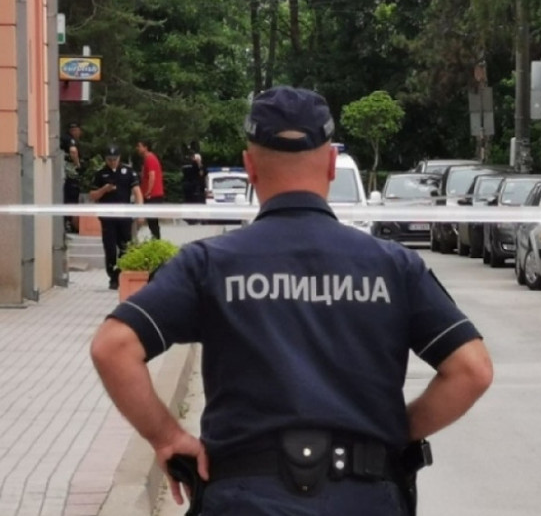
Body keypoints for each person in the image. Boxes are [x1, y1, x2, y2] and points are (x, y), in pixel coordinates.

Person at [89, 86, 493, 516]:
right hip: (364, 496)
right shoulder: (394, 266)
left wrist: (166, 437)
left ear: (249, 167)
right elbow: (472, 370)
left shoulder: (209, 264)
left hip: (244, 499)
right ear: (331, 164)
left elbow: (113, 347)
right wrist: (394, 432)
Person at [88, 146, 144, 290]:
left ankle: (120, 273)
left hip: (124, 216)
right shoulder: (100, 174)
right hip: (107, 217)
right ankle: (112, 276)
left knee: (126, 247)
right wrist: (104, 189)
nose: (112, 162)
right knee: (110, 248)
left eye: (115, 159)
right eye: (109, 160)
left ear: (119, 158)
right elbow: (92, 196)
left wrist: (140, 212)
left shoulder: (128, 172)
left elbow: (137, 192)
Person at [137, 139, 165, 239]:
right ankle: (155, 239)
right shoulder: (147, 159)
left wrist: (148, 192)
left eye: (139, 146)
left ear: (145, 147)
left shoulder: (150, 158)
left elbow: (152, 176)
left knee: (152, 220)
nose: (137, 148)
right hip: (152, 194)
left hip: (153, 195)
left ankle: (156, 240)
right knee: (151, 221)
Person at [61, 122, 84, 233]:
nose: (79, 133)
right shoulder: (70, 140)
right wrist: (78, 164)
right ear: (74, 130)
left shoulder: (64, 138)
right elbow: (73, 151)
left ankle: (69, 222)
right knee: (71, 198)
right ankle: (70, 223)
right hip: (70, 174)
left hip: (65, 175)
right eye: (78, 131)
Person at [181, 141, 206, 224]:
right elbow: (201, 173)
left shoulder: (184, 162)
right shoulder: (195, 164)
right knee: (194, 202)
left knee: (188, 202)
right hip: (194, 186)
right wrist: (199, 164)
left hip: (186, 185)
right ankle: (194, 219)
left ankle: (189, 219)